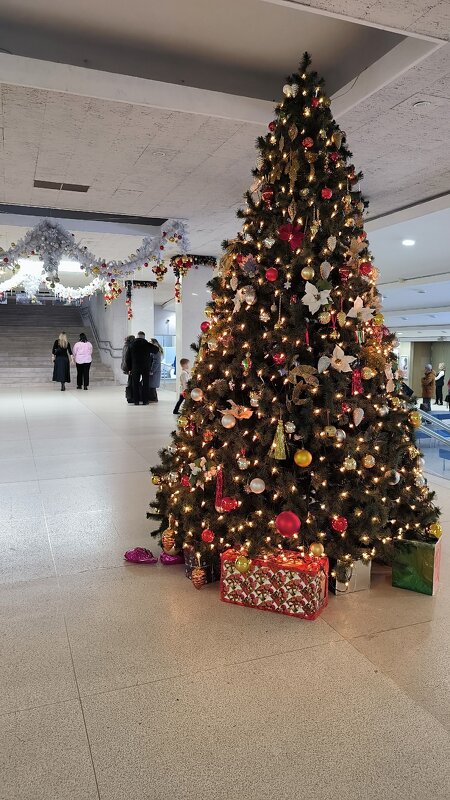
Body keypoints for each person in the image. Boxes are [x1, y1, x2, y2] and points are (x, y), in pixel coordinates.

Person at [126, 331, 158, 406]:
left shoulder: (131, 345)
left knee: (135, 384)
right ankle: (145, 401)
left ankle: (136, 401)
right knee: (145, 384)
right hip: (145, 367)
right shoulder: (147, 344)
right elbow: (156, 350)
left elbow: (127, 358)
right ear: (144, 337)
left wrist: (129, 368)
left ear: (137, 336)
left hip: (135, 367)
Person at [122, 335, 135, 404]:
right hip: (129, 367)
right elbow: (128, 359)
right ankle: (130, 397)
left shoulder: (125, 346)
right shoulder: (129, 347)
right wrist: (130, 368)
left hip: (125, 366)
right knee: (131, 383)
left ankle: (130, 397)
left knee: (130, 382)